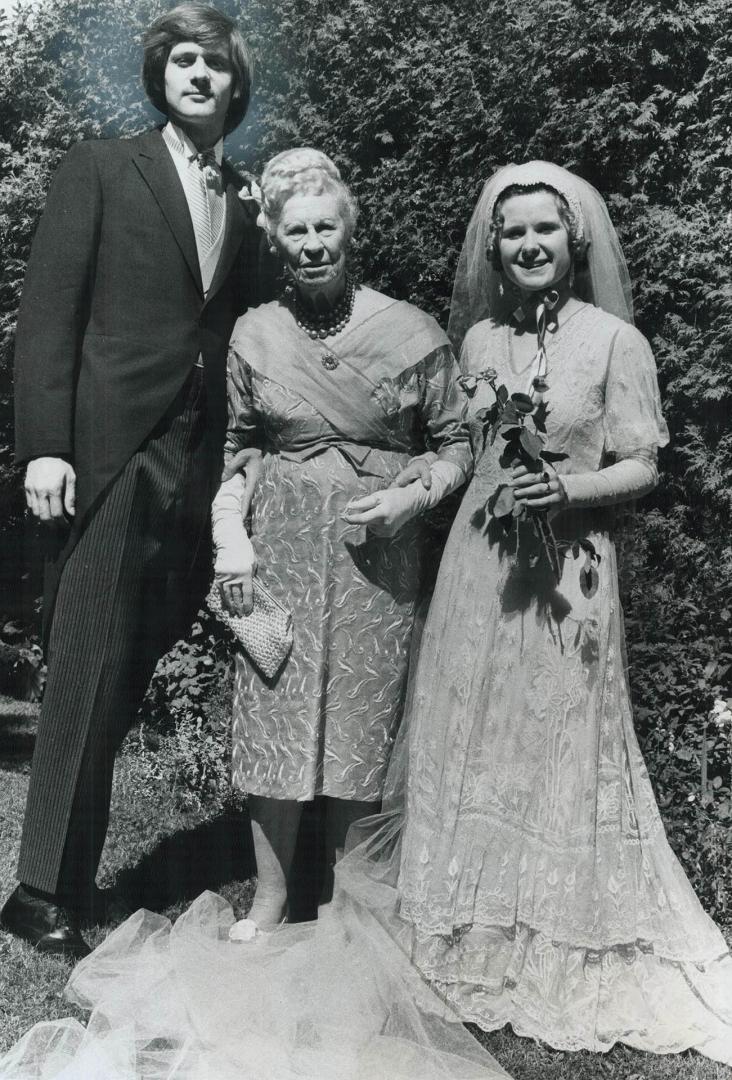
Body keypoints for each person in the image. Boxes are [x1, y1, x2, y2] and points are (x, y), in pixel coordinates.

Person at [389, 160, 732, 1062]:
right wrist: (422, 486)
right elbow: (465, 452)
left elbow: (644, 463)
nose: (529, 245)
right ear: (494, 251)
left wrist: (569, 489)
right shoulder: (477, 346)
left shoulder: (616, 343)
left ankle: (549, 938)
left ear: (573, 244)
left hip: (570, 568)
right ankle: (459, 937)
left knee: (556, 739)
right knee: (473, 736)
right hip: (475, 565)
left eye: (546, 230)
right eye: (513, 234)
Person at [0, 2, 272, 957]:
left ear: (238, 84)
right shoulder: (101, 169)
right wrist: (47, 445)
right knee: (82, 663)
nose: (197, 75)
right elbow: (49, 315)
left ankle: (70, 882)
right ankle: (39, 893)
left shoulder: (243, 199)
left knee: (123, 671)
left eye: (215, 64)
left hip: (196, 464)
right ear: (161, 75)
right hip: (110, 453)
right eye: (182, 61)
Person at [210, 146, 472, 934]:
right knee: (275, 708)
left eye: (328, 227)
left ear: (350, 232)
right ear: (277, 242)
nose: (315, 243)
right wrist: (232, 541)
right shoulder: (255, 334)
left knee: (364, 714)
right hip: (280, 548)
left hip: (378, 552)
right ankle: (271, 898)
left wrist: (411, 499)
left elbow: (459, 444)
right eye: (299, 232)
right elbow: (240, 447)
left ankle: (354, 907)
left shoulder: (412, 331)